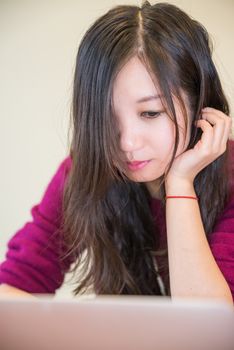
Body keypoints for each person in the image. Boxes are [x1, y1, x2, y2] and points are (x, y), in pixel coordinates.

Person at [0, 1, 233, 304]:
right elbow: (12, 288)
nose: (126, 144)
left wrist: (180, 184)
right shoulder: (87, 171)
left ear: (199, 102)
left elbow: (211, 326)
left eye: (150, 113)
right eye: (106, 119)